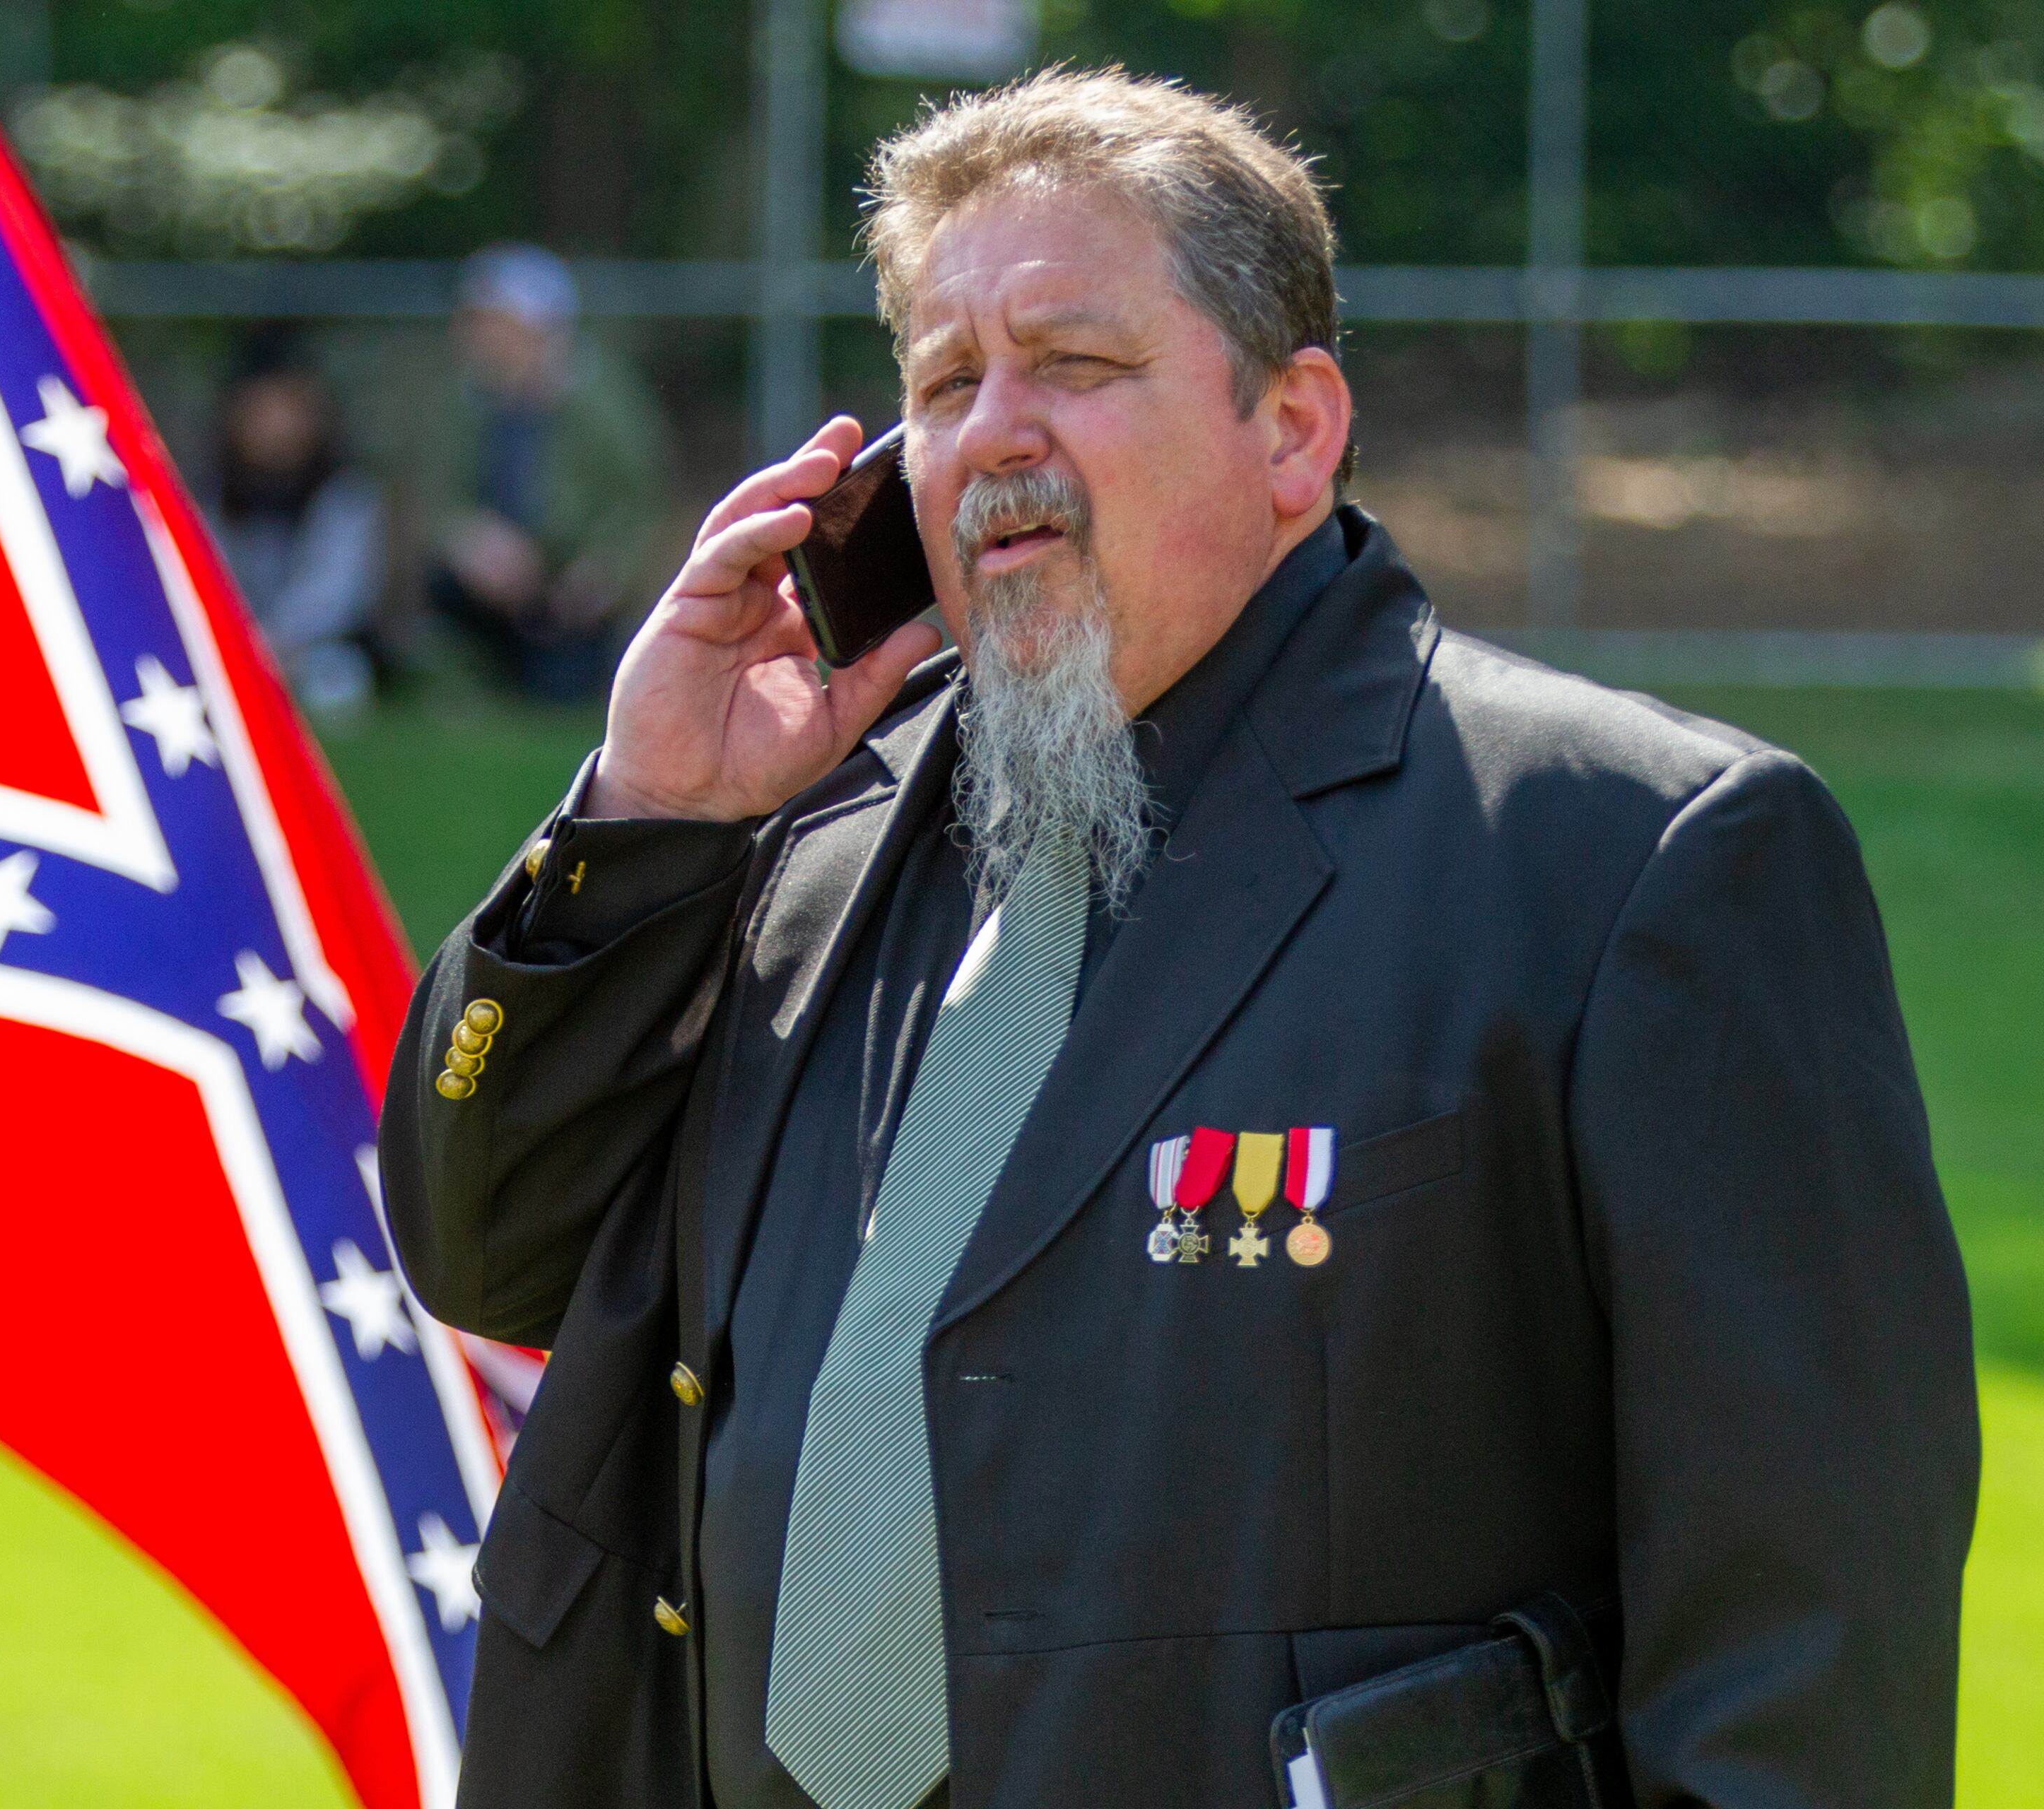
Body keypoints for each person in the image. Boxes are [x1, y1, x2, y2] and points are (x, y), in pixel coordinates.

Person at [379, 69, 1978, 1809]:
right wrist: (644, 816)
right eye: (939, 381)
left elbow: (1796, 1652)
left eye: (1072, 364)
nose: (989, 432)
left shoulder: (1627, 859)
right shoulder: (790, 836)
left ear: (1290, 430)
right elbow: (483, 1247)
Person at [407, 243, 673, 702]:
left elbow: (640, 506)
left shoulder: (606, 404)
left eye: (498, 323)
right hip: (491, 583)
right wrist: (469, 540)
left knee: (560, 681)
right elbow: (433, 499)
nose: (483, 337)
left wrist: (602, 573)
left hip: (571, 585)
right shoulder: (459, 405)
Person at [208, 331, 389, 716]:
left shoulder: (344, 492)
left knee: (340, 685)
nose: (276, 425)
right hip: (229, 647)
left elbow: (337, 593)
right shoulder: (209, 489)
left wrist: (277, 642)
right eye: (261, 409)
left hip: (313, 655)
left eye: (288, 409)